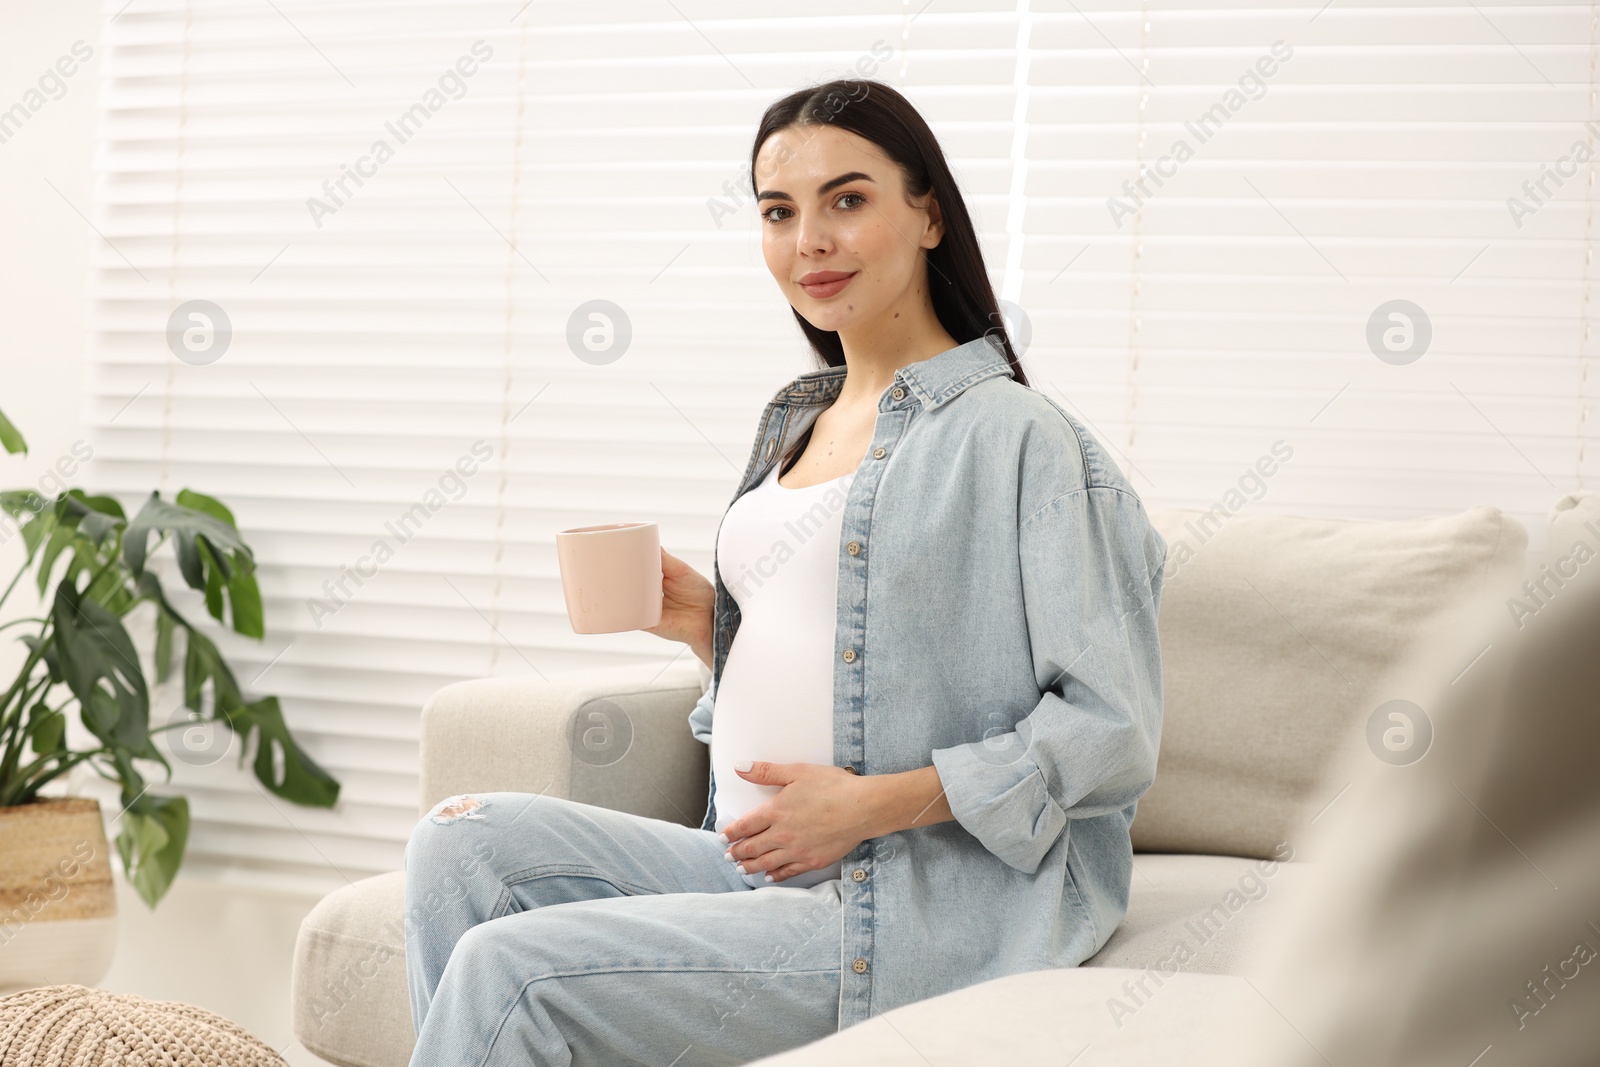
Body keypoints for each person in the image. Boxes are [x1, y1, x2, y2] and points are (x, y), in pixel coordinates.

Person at [403, 77, 1168, 1066]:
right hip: (749, 861)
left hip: (903, 899)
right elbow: (836, 654)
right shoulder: (795, 418)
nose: (808, 238)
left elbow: (1114, 729)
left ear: (928, 213)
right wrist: (705, 627)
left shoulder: (1018, 437)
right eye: (778, 211)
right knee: (457, 838)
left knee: (511, 968)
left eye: (846, 200)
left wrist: (869, 802)